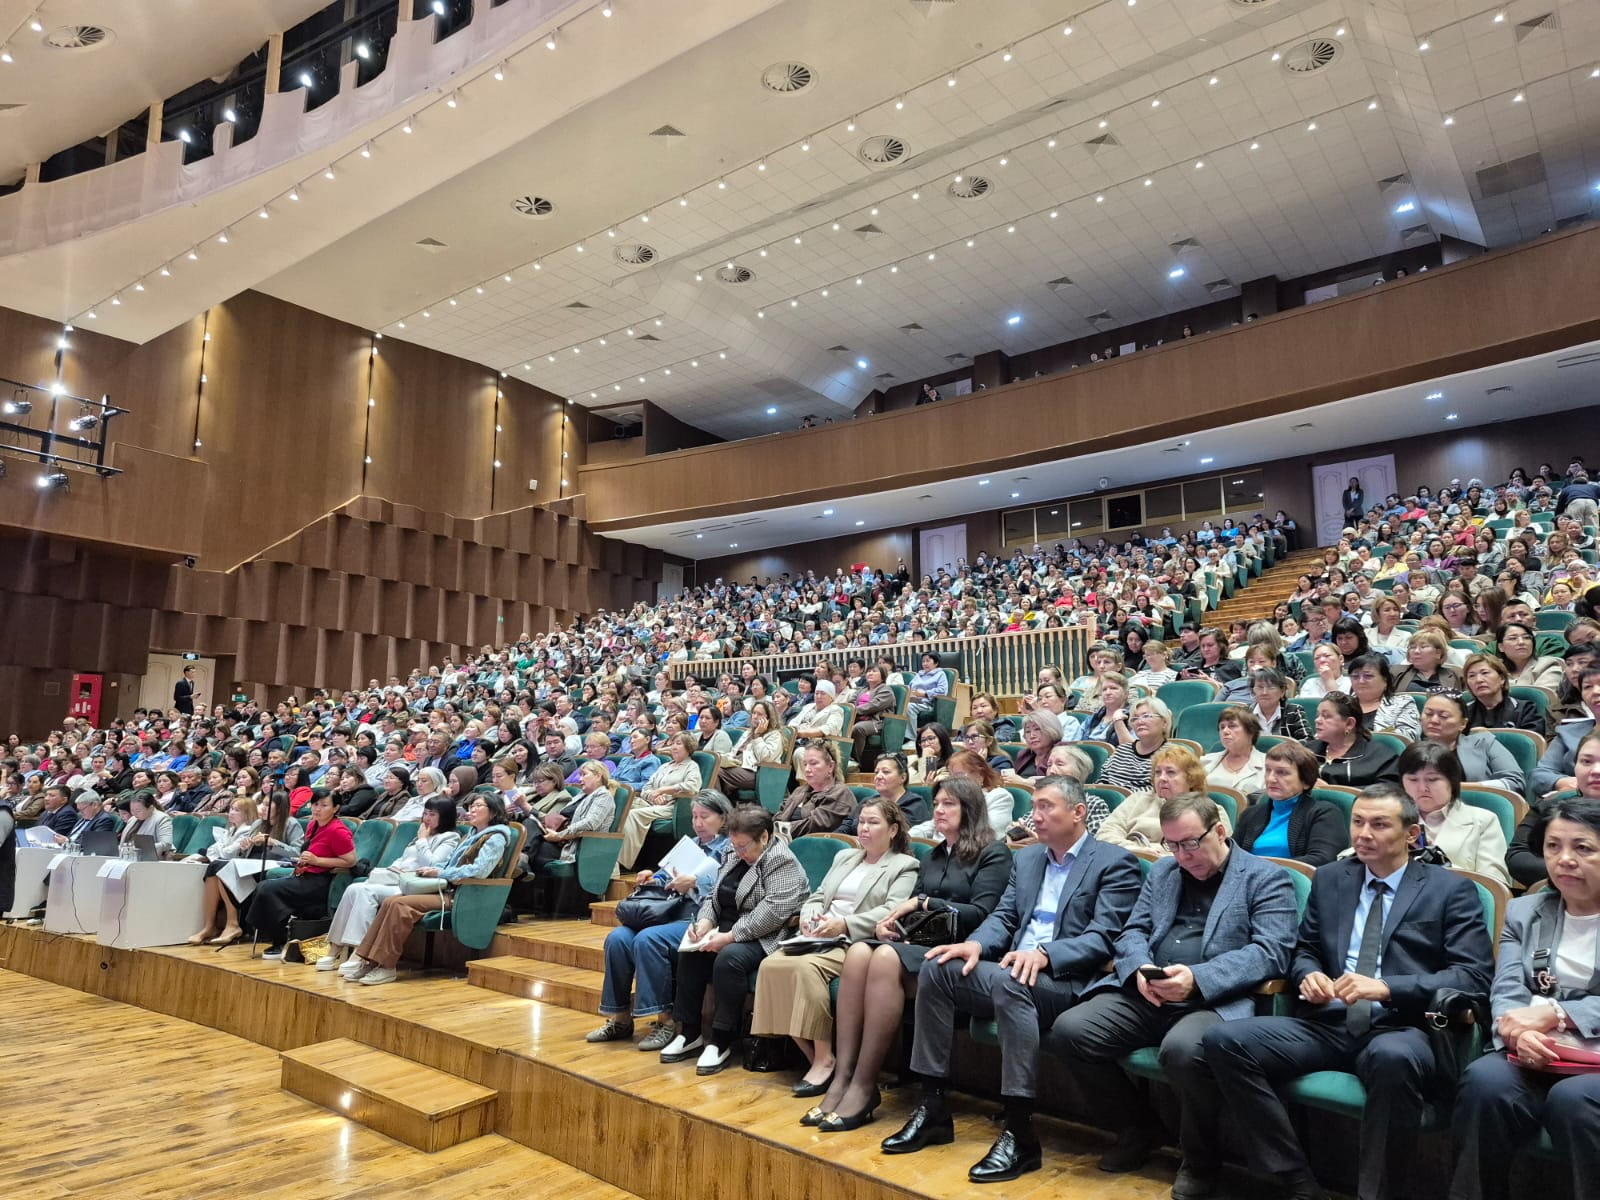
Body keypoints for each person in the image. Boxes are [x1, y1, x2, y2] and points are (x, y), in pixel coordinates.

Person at [1203, 783, 1494, 1200]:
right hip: (1328, 1021)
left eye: (1379, 824)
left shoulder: (1450, 890)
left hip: (1399, 1026)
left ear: (1411, 835)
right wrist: (1308, 976)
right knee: (1223, 1041)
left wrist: (1386, 988)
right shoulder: (1331, 879)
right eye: (1358, 822)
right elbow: (1304, 950)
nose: (1364, 834)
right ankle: (1295, 1178)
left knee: (1394, 1058)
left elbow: (1472, 977)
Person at [881, 777, 1142, 1182]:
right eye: (1033, 806)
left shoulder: (1114, 861)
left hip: (1068, 981)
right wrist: (975, 945)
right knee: (937, 967)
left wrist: (1044, 954)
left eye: (1046, 807)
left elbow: (1105, 937)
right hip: (1012, 970)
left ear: (1078, 812)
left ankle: (1020, 1131)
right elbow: (1003, 918)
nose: (1035, 816)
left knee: (1011, 981)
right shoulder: (1028, 859)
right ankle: (932, 1106)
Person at [1048, 792, 1299, 1194]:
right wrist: (1138, 972)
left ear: (1220, 831)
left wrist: (1198, 978)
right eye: (1172, 844)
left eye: (1191, 843)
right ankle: (1138, 1128)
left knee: (1183, 1051)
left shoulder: (1264, 877)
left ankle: (1200, 1159)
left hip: (1214, 1000)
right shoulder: (1164, 873)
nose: (1182, 854)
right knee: (1071, 1031)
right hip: (1149, 991)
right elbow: (1132, 932)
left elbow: (1271, 952)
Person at [809, 777, 1010, 1130]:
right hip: (920, 944)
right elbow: (909, 909)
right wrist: (891, 925)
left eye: (949, 803)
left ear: (971, 809)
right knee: (858, 951)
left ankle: (864, 1085)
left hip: (966, 951)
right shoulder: (932, 854)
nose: (939, 810)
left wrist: (926, 902)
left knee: (885, 958)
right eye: (936, 804)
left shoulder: (993, 853)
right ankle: (843, 1076)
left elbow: (983, 913)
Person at [1449, 795, 1600, 1200]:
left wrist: (1557, 1014)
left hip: (1591, 1059)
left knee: (1575, 1099)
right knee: (1485, 1081)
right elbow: (1509, 988)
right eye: (1553, 847)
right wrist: (1516, 1033)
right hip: (1536, 1049)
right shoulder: (1525, 911)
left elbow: (1552, 1009)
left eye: (1582, 848)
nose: (1565, 859)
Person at [751, 796, 919, 1093]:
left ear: (893, 830)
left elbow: (891, 911)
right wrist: (809, 915)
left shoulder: (904, 865)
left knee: (804, 970)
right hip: (819, 935)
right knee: (771, 965)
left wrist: (843, 925)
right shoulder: (845, 857)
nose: (864, 828)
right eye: (862, 822)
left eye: (873, 823)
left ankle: (825, 1058)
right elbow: (817, 896)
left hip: (855, 943)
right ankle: (813, 1056)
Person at [658, 806, 808, 1073]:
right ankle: (690, 1032)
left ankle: (721, 1039)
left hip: (764, 934)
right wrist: (704, 923)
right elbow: (714, 895)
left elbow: (771, 914)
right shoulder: (731, 851)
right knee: (690, 951)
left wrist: (728, 937)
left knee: (729, 959)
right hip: (725, 926)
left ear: (764, 837)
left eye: (743, 847)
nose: (738, 852)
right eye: (734, 845)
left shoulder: (781, 860)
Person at [588, 790, 733, 1050]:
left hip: (703, 917)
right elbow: (666, 876)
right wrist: (652, 877)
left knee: (648, 939)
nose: (698, 823)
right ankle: (620, 1019)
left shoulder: (731, 848)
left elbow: (730, 889)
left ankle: (666, 1021)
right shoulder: (691, 844)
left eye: (705, 817)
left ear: (723, 818)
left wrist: (697, 882)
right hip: (671, 909)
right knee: (618, 938)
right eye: (695, 817)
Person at [344, 791, 516, 985]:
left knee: (401, 906)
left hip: (467, 895)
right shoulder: (472, 833)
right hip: (448, 890)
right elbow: (452, 864)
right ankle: (369, 960)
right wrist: (434, 869)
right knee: (391, 901)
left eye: (478, 806)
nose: (472, 810)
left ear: (493, 812)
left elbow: (480, 871)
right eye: (471, 806)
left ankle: (386, 966)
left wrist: (440, 873)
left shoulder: (496, 837)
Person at [316, 796, 462, 971]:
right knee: (354, 888)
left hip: (416, 886)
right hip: (396, 879)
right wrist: (394, 868)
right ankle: (335, 949)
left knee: (366, 892)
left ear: (445, 816)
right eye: (425, 813)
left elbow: (432, 864)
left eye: (432, 814)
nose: (427, 818)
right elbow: (404, 859)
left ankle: (359, 952)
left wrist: (423, 840)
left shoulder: (450, 837)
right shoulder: (422, 834)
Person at [238, 791, 356, 958]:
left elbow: (350, 861)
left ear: (335, 808)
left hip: (321, 881)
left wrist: (318, 861)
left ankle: (277, 940)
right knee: (264, 886)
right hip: (303, 873)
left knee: (267, 889)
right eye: (315, 804)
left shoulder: (338, 831)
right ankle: (271, 934)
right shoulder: (312, 825)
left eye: (324, 805)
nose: (317, 809)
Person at [1397, 740, 1510, 885]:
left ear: (1452, 781)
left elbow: (1495, 887)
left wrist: (1443, 865)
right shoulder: (1389, 819)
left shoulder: (1483, 820)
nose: (1422, 788)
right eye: (1413, 779)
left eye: (1432, 779)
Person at [1099, 743, 1232, 853]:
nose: (1162, 778)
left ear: (1191, 778)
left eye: (1170, 772)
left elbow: (1213, 853)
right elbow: (1104, 834)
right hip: (1126, 861)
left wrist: (1159, 856)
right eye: (1158, 772)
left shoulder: (1211, 810)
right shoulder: (1137, 799)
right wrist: (1139, 851)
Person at [1234, 741, 1349, 866]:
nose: (1271, 779)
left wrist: (1262, 870)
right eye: (1268, 770)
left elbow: (1322, 859)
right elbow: (1231, 855)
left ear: (1305, 781)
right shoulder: (1250, 814)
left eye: (1282, 772)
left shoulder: (1324, 813)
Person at [1508, 729, 1600, 886]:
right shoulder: (1552, 805)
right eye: (1586, 761)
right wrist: (1569, 871)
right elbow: (1517, 857)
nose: (1596, 771)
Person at [615, 731, 702, 872]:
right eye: (673, 743)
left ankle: (623, 863)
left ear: (689, 747)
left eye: (679, 744)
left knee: (632, 815)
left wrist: (664, 791)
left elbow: (692, 787)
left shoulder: (691, 766)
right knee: (623, 807)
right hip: (653, 802)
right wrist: (653, 796)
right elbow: (646, 788)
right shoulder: (665, 766)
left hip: (673, 806)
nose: (674, 747)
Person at [1417, 691, 1524, 794]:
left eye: (1443, 716)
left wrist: (1462, 788)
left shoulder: (1484, 743)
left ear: (1463, 723)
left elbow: (1515, 781)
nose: (1434, 720)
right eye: (1428, 713)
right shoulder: (1414, 751)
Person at [529, 759, 615, 872]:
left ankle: (522, 870)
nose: (580, 779)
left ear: (598, 776)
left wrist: (559, 835)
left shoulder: (604, 796)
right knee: (529, 824)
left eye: (584, 775)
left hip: (579, 846)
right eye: (580, 775)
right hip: (563, 839)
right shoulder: (581, 795)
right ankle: (522, 865)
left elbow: (590, 823)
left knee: (539, 849)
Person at [1303, 693, 1402, 788]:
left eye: (1326, 716)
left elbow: (1388, 793)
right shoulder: (1306, 751)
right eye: (1318, 715)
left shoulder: (1382, 758)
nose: (1317, 720)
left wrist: (1331, 791)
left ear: (1349, 723)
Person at [1531, 664, 1600, 795]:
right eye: (1587, 687)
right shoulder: (1569, 732)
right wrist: (1562, 782)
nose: (1595, 691)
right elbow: (1540, 775)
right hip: (1578, 805)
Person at [773, 742, 855, 838]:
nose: (807, 769)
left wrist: (775, 830)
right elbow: (779, 815)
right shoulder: (800, 790)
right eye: (805, 764)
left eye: (813, 763)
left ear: (831, 766)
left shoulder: (840, 793)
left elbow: (813, 826)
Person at [1098, 696, 1174, 792]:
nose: (1140, 722)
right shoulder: (1122, 750)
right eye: (1134, 718)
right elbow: (1102, 781)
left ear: (1164, 722)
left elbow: (1160, 792)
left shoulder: (1171, 754)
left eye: (1146, 716)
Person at [1460, 651, 1545, 734]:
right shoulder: (1462, 713)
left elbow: (1531, 744)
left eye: (1485, 673)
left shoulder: (1526, 710)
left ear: (1502, 679)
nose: (1478, 680)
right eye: (1471, 675)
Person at [1202, 705, 1267, 794]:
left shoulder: (1267, 764)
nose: (1225, 731)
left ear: (1251, 731)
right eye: (1222, 727)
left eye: (1232, 726)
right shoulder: (1204, 762)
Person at [847, 665, 901, 772]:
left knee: (858, 728)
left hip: (876, 721)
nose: (870, 673)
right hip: (857, 718)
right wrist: (849, 710)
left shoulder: (886, 690)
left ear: (882, 676)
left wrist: (854, 711)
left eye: (874, 671)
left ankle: (857, 761)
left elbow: (874, 705)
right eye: (868, 671)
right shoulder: (861, 690)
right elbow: (851, 702)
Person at [1497, 620, 1563, 690]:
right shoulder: (1495, 669)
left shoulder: (1547, 665)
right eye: (1513, 638)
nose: (1521, 642)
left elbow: (1541, 696)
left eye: (1526, 637)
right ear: (1501, 647)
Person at [1392, 629, 1462, 694]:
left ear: (1438, 653)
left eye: (1423, 647)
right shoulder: (1395, 672)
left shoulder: (1456, 675)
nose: (1416, 651)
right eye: (1412, 647)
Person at [1251, 667, 1309, 740]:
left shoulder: (1293, 711)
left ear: (1282, 691)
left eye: (1270, 687)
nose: (1264, 692)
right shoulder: (1245, 713)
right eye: (1260, 687)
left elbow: (1307, 741)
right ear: (1253, 691)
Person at [117, 789, 175, 855]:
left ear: (151, 808)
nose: (134, 814)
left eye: (138, 811)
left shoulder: (162, 818)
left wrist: (138, 848)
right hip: (128, 856)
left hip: (152, 858)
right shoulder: (132, 819)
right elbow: (124, 843)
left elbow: (166, 844)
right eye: (132, 810)